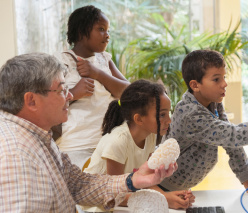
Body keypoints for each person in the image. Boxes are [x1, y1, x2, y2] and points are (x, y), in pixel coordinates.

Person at [0, 53, 176, 212]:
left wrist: (133, 180)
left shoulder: (39, 138)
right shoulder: (16, 154)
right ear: (31, 101)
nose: (69, 96)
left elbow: (79, 184)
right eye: (62, 90)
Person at [158, 49, 248, 194]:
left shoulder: (212, 102)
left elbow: (232, 144)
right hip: (162, 187)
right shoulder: (190, 114)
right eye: (216, 79)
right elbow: (235, 135)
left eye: (224, 77)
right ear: (195, 85)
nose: (224, 84)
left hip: (180, 187)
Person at [80, 79, 195, 212]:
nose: (169, 120)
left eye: (168, 113)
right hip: (95, 206)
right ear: (139, 119)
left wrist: (168, 196)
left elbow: (147, 180)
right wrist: (165, 198)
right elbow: (115, 194)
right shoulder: (118, 142)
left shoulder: (150, 135)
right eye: (162, 115)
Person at [54, 5, 130, 169]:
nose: (107, 35)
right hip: (75, 144)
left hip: (107, 143)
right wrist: (73, 94)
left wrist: (98, 74)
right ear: (82, 32)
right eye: (101, 29)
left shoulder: (105, 60)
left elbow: (129, 93)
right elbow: (48, 102)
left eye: (108, 30)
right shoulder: (62, 61)